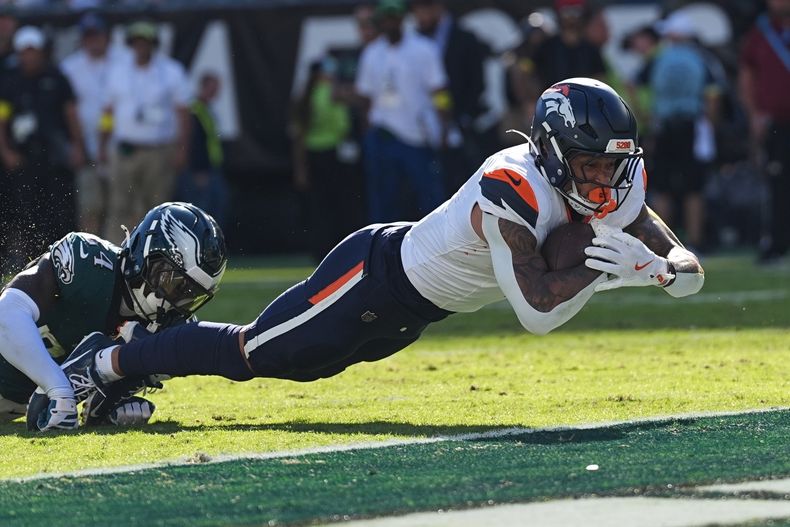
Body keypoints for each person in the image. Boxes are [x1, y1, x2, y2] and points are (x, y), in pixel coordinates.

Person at [35, 79, 704, 429]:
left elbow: (686, 269)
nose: (603, 186)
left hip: (416, 310)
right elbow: (535, 312)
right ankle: (109, 357)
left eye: (611, 169)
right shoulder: (512, 185)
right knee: (253, 353)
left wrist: (665, 271)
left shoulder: (616, 183)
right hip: (375, 275)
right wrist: (605, 270)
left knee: (299, 369)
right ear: (553, 151)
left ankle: (130, 359)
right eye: (588, 167)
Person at [0, 202, 227, 431]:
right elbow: (7, 310)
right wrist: (57, 386)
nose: (177, 304)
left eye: (191, 296)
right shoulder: (90, 263)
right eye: (174, 284)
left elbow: (93, 390)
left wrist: (109, 404)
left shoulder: (164, 327)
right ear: (147, 255)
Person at [0, 26, 86, 271]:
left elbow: (71, 115)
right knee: (27, 215)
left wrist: (78, 147)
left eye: (32, 51)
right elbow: (2, 119)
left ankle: (65, 264)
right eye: (24, 52)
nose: (28, 56)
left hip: (54, 159)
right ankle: (31, 267)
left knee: (61, 213)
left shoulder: (57, 77)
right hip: (24, 159)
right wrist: (5, 151)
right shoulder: (10, 80)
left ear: (41, 52)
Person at [355, 0, 449, 222]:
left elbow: (440, 91)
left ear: (402, 19)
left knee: (429, 196)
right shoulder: (371, 53)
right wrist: (366, 133)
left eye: (394, 18)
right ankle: (381, 248)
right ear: (379, 22)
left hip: (416, 135)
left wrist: (444, 127)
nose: (390, 24)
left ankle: (436, 247)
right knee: (383, 199)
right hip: (382, 134)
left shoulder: (423, 48)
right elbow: (365, 98)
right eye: (385, 19)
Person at [100, 20, 191, 245]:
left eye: (146, 42)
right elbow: (108, 112)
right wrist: (102, 143)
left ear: (154, 44)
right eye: (137, 42)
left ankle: (156, 252)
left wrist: (182, 148)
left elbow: (183, 113)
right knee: (119, 205)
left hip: (158, 150)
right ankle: (113, 251)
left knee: (157, 206)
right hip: (124, 148)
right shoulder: (118, 71)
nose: (141, 47)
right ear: (131, 44)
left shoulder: (171, 71)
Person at [648, 12, 719, 252]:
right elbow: (712, 95)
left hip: (664, 127)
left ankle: (662, 244)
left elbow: (633, 83)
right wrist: (709, 123)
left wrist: (645, 116)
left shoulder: (658, 57)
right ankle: (695, 243)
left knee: (662, 188)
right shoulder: (702, 59)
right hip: (691, 126)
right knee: (693, 188)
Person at [61, 12, 128, 236]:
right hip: (88, 147)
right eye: (88, 36)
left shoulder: (125, 60)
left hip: (121, 148)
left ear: (106, 36)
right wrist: (77, 145)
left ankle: (123, 261)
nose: (93, 40)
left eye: (96, 35)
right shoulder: (70, 67)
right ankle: (88, 257)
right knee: (90, 208)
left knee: (122, 208)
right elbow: (68, 111)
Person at [412, 0, 490, 191]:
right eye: (415, 9)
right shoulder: (412, 41)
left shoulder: (465, 38)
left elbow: (475, 84)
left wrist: (456, 119)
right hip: (422, 132)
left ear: (438, 6)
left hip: (459, 128)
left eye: (424, 7)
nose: (419, 15)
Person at [739, 0, 790, 263]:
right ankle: (777, 243)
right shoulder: (760, 33)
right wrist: (754, 114)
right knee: (778, 182)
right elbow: (747, 74)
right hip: (778, 122)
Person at [291, 60, 355, 262]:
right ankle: (337, 249)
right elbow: (342, 126)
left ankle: (319, 250)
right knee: (338, 204)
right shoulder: (331, 93)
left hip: (313, 155)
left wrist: (300, 168)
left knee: (319, 207)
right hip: (333, 154)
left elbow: (299, 135)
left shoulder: (304, 96)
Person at [174, 71, 228, 231]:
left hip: (211, 167)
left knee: (215, 207)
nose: (216, 92)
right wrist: (198, 169)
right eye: (213, 88)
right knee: (200, 211)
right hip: (200, 170)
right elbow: (194, 141)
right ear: (204, 87)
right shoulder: (195, 109)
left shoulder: (206, 108)